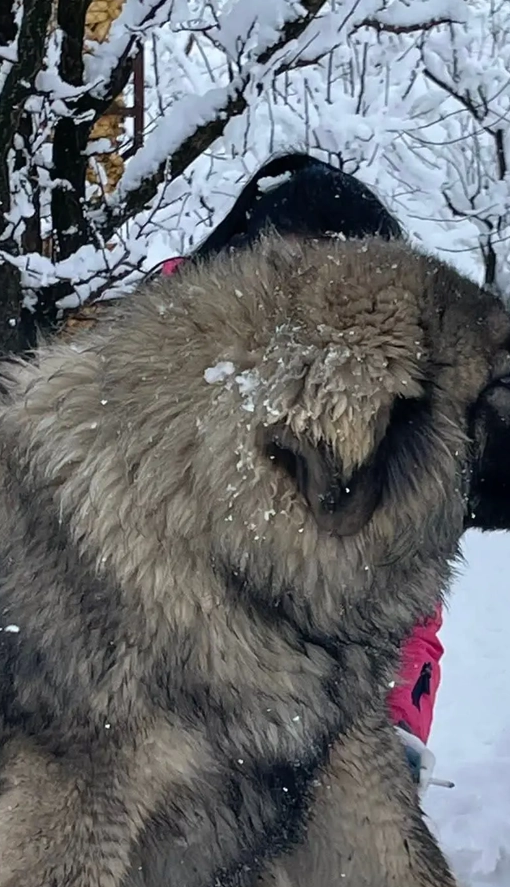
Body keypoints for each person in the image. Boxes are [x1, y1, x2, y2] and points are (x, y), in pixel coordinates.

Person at [160, 153, 447, 791]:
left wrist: (395, 732)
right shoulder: (139, 377)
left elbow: (408, 606)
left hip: (301, 734)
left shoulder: (384, 418)